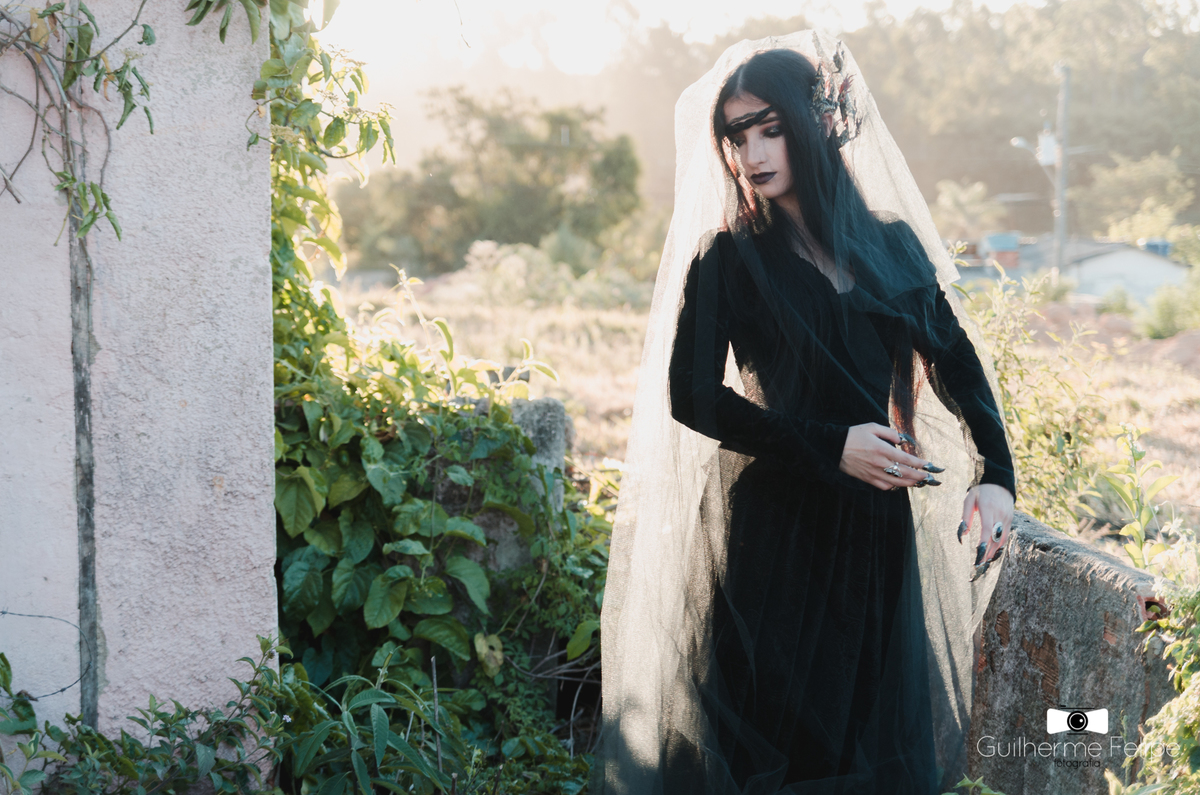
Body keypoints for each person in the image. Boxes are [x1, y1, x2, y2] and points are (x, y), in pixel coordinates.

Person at [594, 31, 1016, 794]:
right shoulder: (727, 257)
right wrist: (831, 444)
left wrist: (997, 473)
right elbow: (691, 395)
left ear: (818, 122)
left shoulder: (890, 247)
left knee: (867, 742)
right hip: (774, 533)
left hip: (874, 534)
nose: (751, 154)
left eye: (770, 128)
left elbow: (954, 360)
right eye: (737, 136)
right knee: (776, 744)